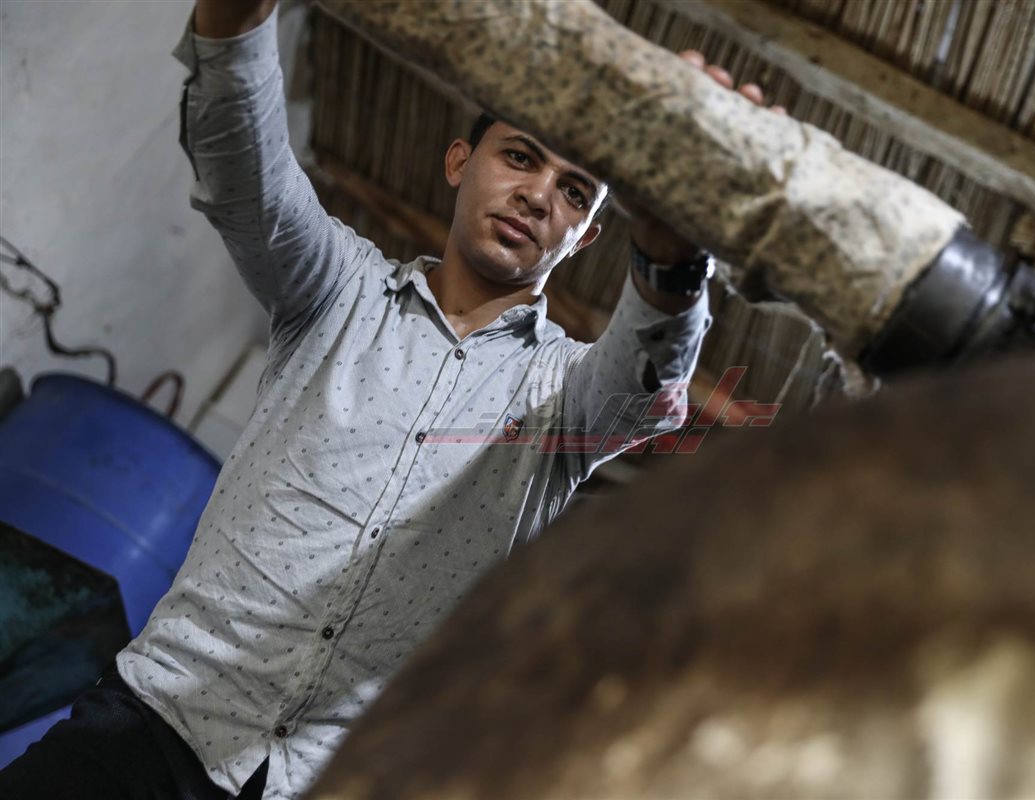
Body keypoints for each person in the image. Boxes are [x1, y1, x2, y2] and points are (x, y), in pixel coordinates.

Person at [0, 1, 781, 797]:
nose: (539, 195)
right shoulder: (335, 287)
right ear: (458, 162)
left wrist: (675, 248)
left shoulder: (567, 397)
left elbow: (649, 382)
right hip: (148, 728)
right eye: (519, 157)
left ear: (584, 238)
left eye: (575, 192)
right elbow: (244, 176)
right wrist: (234, 21)